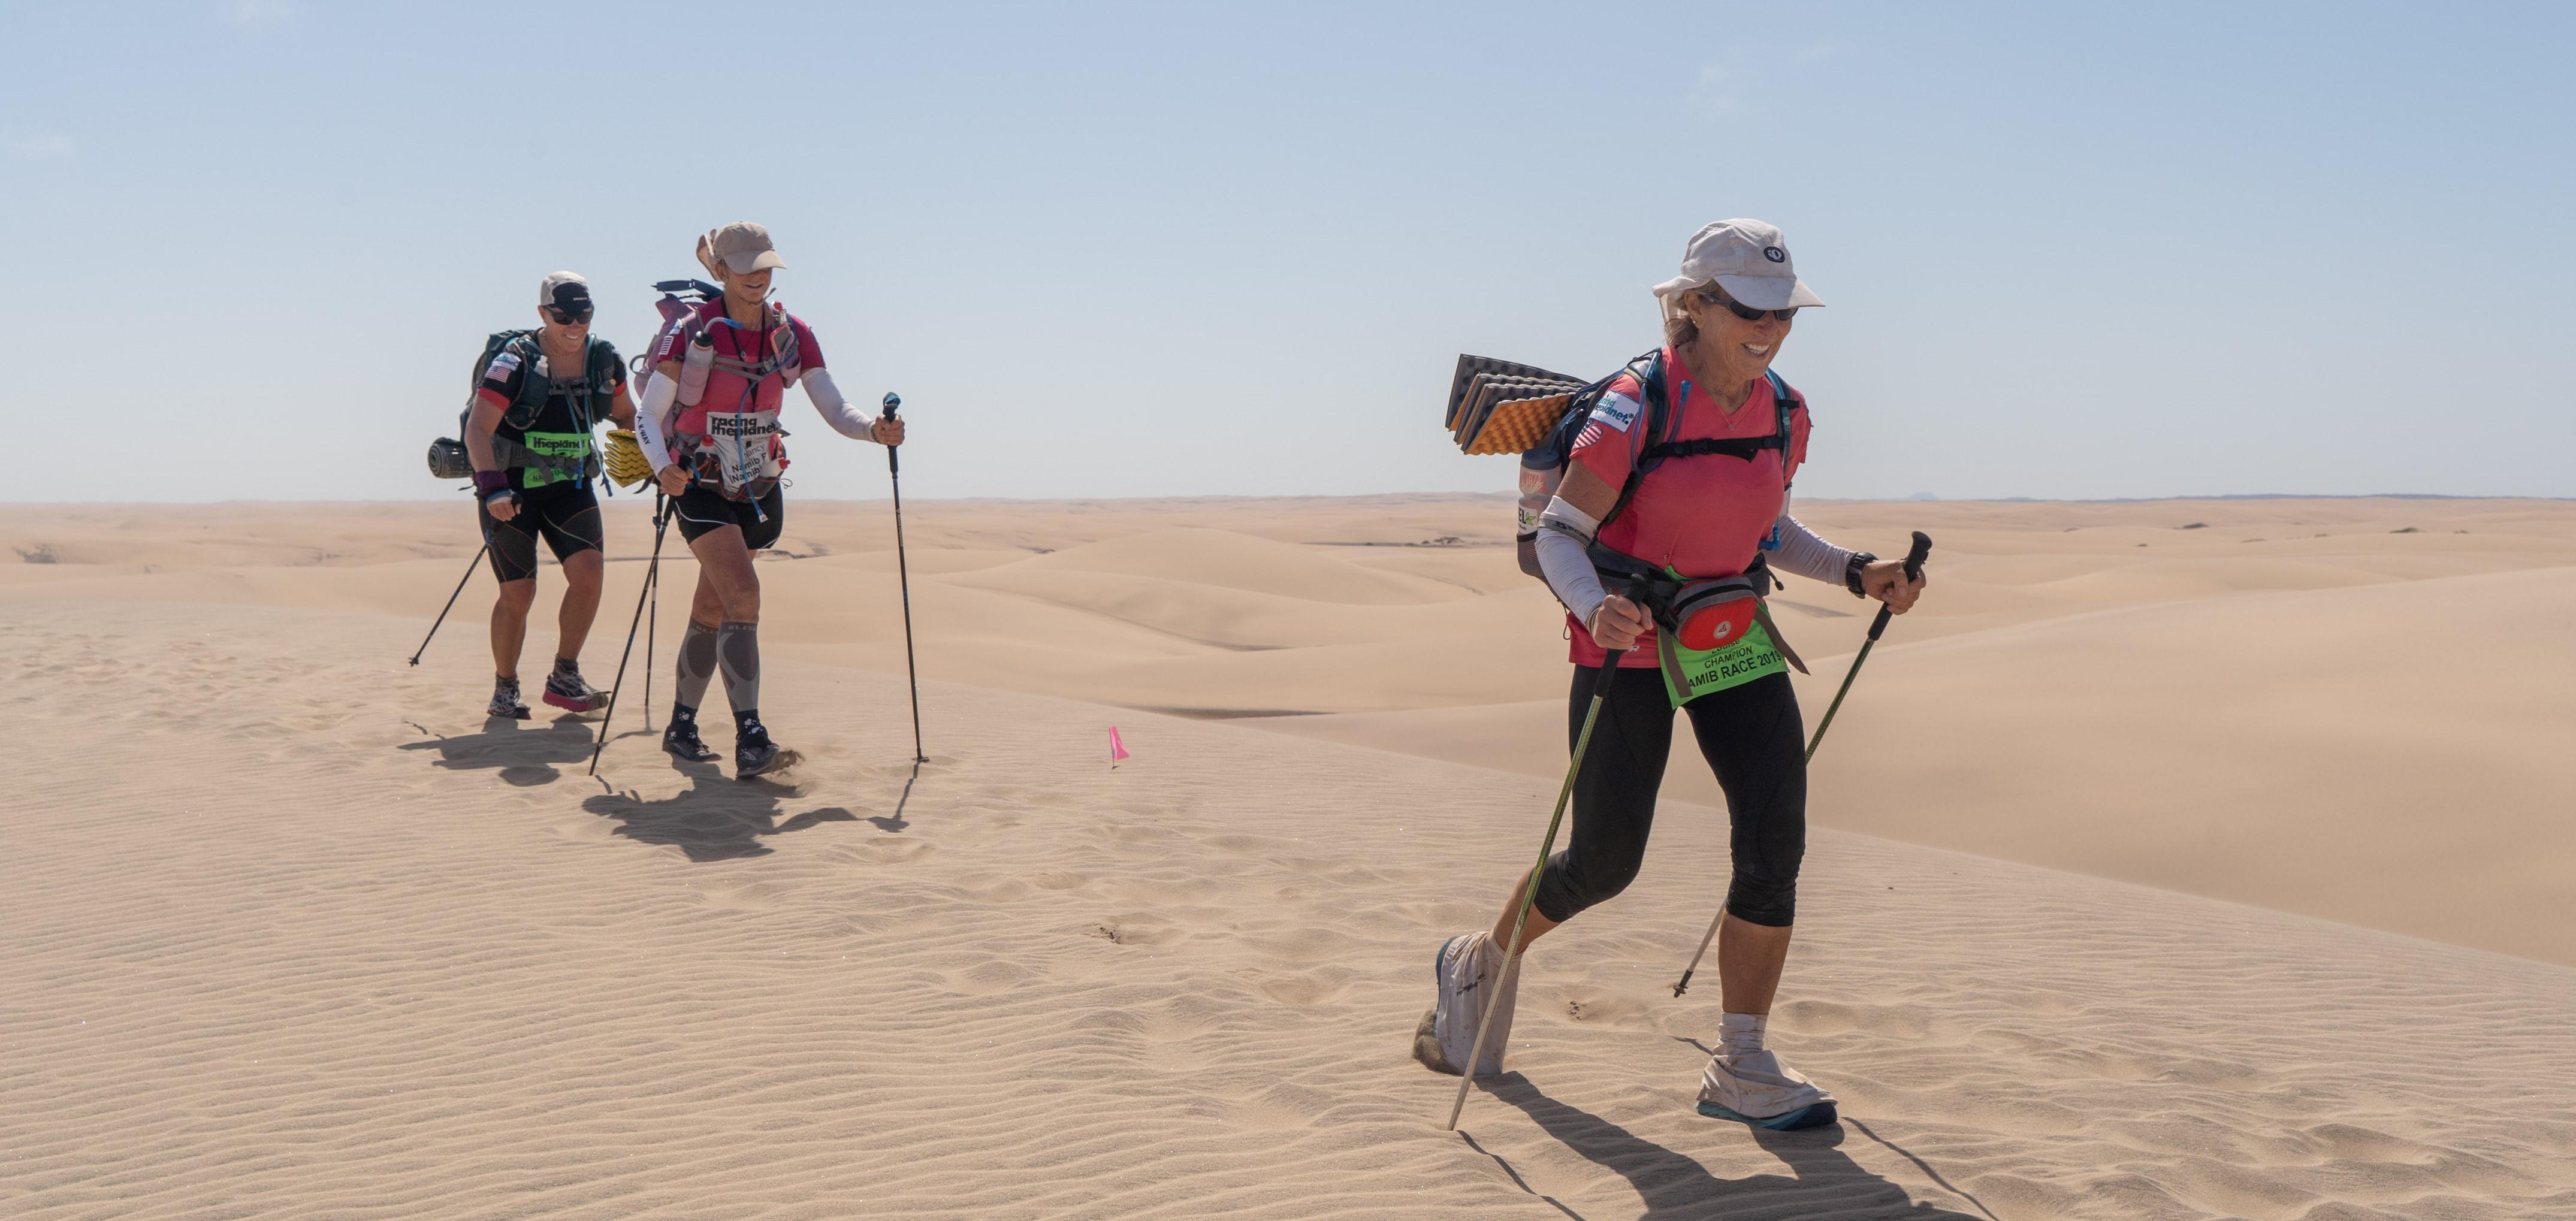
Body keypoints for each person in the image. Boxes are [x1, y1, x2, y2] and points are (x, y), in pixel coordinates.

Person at [1415, 220, 1927, 1130]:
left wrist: (1857, 570)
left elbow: (1765, 530)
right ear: (1693, 306)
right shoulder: (1629, 407)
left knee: (1774, 841)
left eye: (1782, 310)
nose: (1769, 325)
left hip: (1730, 634)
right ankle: (1479, 961)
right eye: (1747, 308)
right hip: (1626, 644)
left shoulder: (1784, 410)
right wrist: (1592, 607)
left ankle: (1741, 1063)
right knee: (1604, 860)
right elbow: (1560, 537)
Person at [630, 222, 905, 777]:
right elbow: (647, 417)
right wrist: (662, 469)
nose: (757, 276)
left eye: (765, 266)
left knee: (714, 606)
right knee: (745, 596)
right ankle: (750, 736)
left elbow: (833, 407)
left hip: (759, 486)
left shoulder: (791, 333)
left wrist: (873, 432)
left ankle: (682, 725)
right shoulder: (690, 332)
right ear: (722, 270)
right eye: (745, 266)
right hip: (699, 482)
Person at [464, 271, 636, 720]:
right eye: (563, 317)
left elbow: (626, 417)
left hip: (571, 488)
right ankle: (505, 688)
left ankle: (565, 675)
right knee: (518, 594)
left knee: (590, 576)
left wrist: (656, 457)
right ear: (543, 314)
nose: (574, 325)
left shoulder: (604, 360)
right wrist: (492, 489)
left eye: (583, 315)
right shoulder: (514, 362)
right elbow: (477, 430)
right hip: (512, 491)